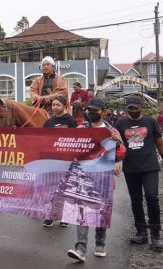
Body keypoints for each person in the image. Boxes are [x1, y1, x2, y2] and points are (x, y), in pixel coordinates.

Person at [67, 97, 126, 261]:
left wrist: (117, 144)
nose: (91, 113)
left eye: (95, 110)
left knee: (101, 212)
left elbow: (122, 153)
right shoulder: (81, 128)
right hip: (83, 177)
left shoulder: (112, 131)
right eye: (89, 110)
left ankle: (100, 244)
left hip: (104, 179)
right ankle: (80, 249)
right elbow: (70, 147)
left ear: (104, 111)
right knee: (82, 213)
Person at [114, 95, 163, 250]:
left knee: (152, 197)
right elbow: (116, 146)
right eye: (130, 108)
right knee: (135, 200)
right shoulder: (120, 123)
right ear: (126, 108)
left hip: (150, 167)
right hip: (131, 168)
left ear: (142, 107)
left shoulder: (150, 122)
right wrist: (116, 158)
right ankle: (141, 232)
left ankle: (156, 235)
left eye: (136, 107)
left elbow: (160, 143)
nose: (133, 110)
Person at [42, 96, 77, 228]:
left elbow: (77, 139)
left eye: (58, 105)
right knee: (51, 189)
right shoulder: (48, 122)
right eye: (53, 105)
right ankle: (50, 216)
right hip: (52, 162)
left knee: (65, 189)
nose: (55, 107)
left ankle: (65, 217)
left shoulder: (71, 121)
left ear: (64, 105)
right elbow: (41, 140)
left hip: (67, 162)